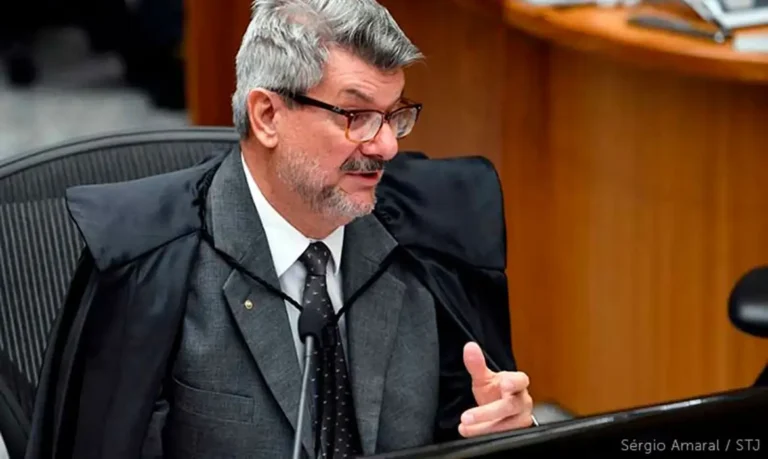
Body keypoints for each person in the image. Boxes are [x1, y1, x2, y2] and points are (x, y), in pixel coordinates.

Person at [24, 1, 534, 458]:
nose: (386, 146)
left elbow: (470, 425)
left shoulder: (429, 244)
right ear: (267, 115)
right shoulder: (154, 266)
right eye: (357, 115)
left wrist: (509, 432)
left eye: (393, 115)